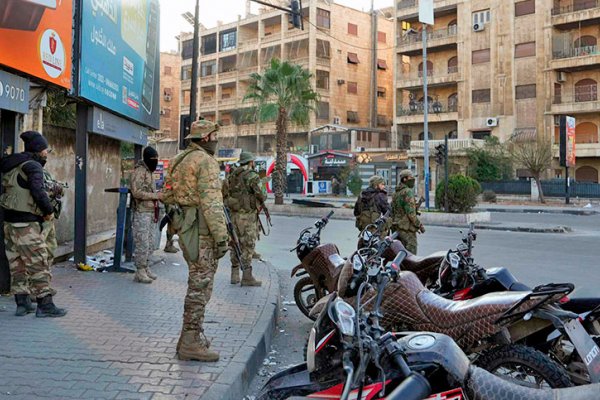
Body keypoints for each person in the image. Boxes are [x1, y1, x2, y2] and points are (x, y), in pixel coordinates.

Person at [163, 119, 228, 362]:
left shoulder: (178, 160)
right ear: (206, 138)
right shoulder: (206, 161)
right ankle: (190, 342)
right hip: (202, 232)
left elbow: (168, 195)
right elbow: (212, 203)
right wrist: (222, 238)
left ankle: (189, 338)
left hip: (187, 229)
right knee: (200, 287)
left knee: (196, 281)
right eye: (214, 136)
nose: (216, 140)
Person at [0, 131, 66, 317]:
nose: (46, 153)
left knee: (17, 265)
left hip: (9, 224)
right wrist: (48, 212)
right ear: (38, 150)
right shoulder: (33, 167)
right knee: (38, 264)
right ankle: (45, 304)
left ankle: (22, 303)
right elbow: (38, 192)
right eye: (46, 150)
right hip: (26, 225)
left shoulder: (12, 165)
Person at [222, 151, 266, 286]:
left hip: (233, 216)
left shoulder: (231, 176)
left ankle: (234, 274)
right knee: (248, 245)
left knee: (235, 243)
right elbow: (262, 195)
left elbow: (224, 193)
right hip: (247, 216)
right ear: (251, 162)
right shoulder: (252, 176)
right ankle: (247, 276)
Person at [130, 146, 163, 284]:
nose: (155, 162)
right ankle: (140, 270)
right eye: (153, 159)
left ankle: (146, 266)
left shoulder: (149, 172)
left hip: (150, 212)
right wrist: (155, 195)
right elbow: (136, 192)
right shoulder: (139, 172)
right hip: (142, 212)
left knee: (150, 242)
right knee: (142, 242)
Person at [391, 169, 425, 254]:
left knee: (398, 253)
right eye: (411, 177)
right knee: (411, 254)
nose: (413, 180)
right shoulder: (408, 192)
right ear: (405, 179)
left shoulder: (396, 193)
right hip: (406, 228)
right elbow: (411, 214)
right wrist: (419, 225)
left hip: (396, 226)